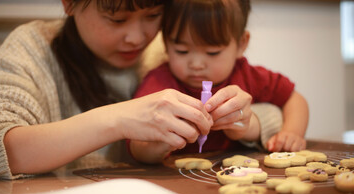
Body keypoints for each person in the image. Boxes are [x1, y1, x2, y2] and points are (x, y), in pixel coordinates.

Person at [0, 0, 261, 180]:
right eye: (117, 19)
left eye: (153, 15)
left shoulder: (167, 54)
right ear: (69, 3)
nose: (137, 38)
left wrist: (249, 119)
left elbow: (269, 109)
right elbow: (0, 145)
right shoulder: (31, 49)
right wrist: (118, 120)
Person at [130, 0, 309, 163]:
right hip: (177, 180)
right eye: (181, 51)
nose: (196, 64)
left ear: (241, 44)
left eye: (212, 52)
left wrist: (291, 132)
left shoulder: (247, 74)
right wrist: (161, 144)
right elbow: (136, 146)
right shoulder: (159, 83)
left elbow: (295, 100)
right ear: (166, 43)